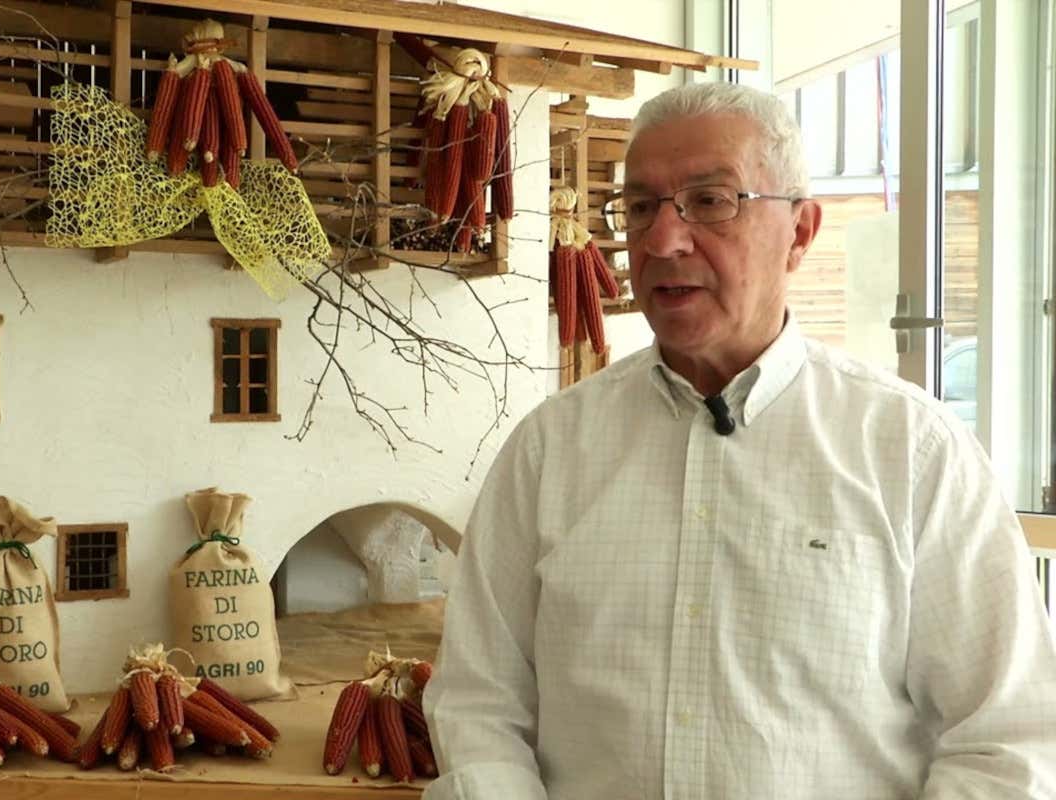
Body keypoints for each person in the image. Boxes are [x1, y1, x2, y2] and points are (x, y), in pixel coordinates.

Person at [421, 81, 1056, 799]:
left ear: (801, 232)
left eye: (711, 200)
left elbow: (1005, 743)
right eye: (640, 207)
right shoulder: (548, 451)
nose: (662, 239)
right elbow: (480, 705)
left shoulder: (912, 453)